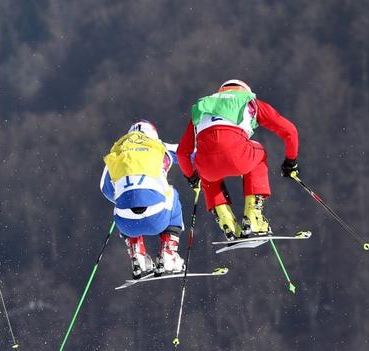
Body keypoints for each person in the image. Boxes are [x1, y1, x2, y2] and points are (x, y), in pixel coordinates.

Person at [177, 79, 300, 240]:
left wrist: (192, 177)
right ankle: (253, 218)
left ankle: (227, 222)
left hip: (207, 164)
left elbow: (182, 153)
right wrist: (291, 162)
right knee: (259, 152)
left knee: (205, 174)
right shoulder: (249, 101)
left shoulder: (202, 106)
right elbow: (290, 131)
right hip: (237, 155)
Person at [100, 120, 185, 279]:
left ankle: (137, 254)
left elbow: (105, 188)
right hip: (157, 218)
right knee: (172, 194)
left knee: (122, 202)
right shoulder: (159, 147)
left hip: (126, 224)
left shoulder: (117, 152)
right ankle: (168, 254)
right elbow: (189, 153)